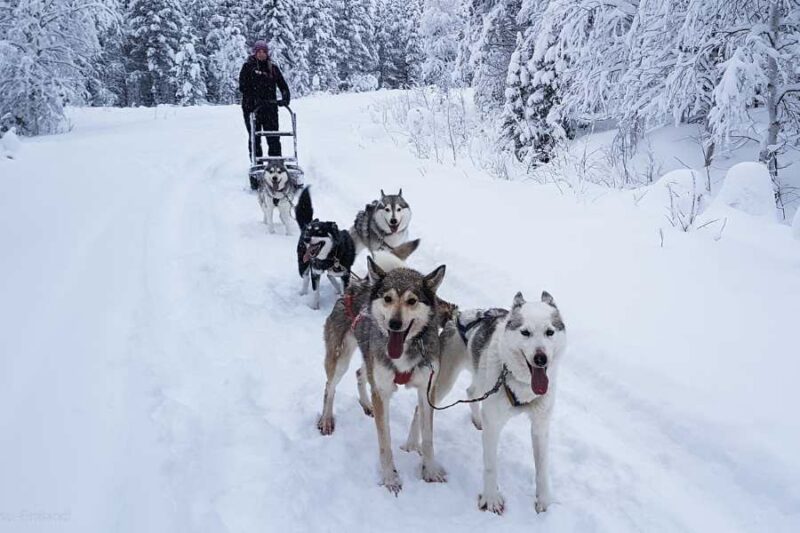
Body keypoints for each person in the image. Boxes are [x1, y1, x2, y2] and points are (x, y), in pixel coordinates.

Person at [239, 40, 290, 162]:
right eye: (259, 52)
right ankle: (257, 163)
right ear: (255, 53)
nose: (261, 54)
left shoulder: (272, 68)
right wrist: (254, 99)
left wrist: (285, 98)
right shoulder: (248, 67)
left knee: (273, 137)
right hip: (252, 108)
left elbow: (283, 86)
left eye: (264, 52)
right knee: (255, 137)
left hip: (270, 108)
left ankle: (275, 163)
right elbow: (243, 87)